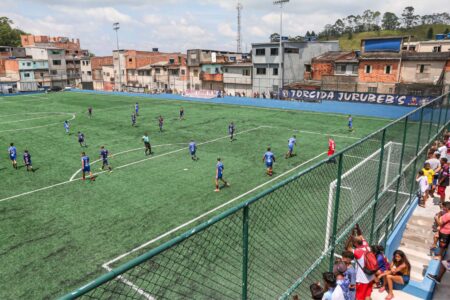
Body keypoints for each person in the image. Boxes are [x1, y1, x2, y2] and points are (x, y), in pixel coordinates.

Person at [346, 224, 374, 300]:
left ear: (355, 244)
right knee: (367, 296)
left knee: (359, 297)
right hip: (371, 276)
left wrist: (350, 237)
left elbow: (347, 248)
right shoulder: (366, 246)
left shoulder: (358, 252)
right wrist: (358, 229)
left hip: (362, 279)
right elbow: (361, 235)